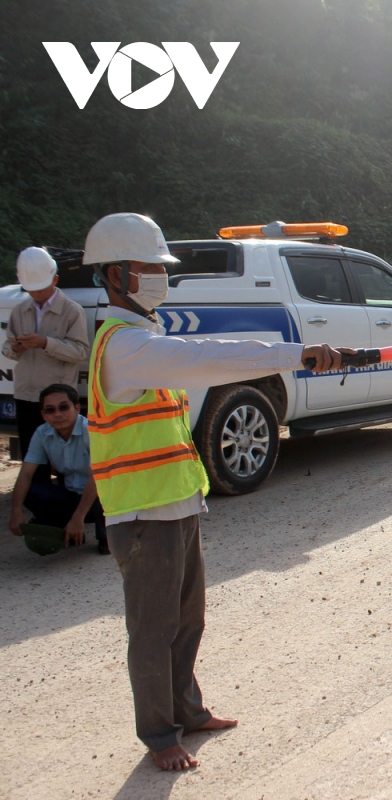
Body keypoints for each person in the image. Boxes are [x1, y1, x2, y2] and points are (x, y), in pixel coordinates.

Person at [83, 212, 349, 772]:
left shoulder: (146, 336)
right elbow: (208, 358)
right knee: (153, 630)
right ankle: (159, 736)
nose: (160, 275)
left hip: (175, 501)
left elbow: (200, 354)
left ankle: (188, 709)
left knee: (187, 619)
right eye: (149, 267)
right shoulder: (124, 346)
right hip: (141, 512)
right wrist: (291, 353)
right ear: (114, 276)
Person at [2, 247, 89, 468]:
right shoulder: (20, 310)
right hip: (26, 394)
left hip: (58, 398)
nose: (37, 294)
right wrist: (15, 348)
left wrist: (45, 343)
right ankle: (34, 499)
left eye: (40, 288)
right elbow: (7, 346)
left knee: (64, 460)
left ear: (55, 279)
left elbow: (80, 352)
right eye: (31, 289)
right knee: (32, 459)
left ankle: (67, 498)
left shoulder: (72, 311)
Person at [8, 383, 106, 552]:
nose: (58, 414)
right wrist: (16, 511)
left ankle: (104, 535)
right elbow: (25, 474)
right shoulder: (42, 433)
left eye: (63, 407)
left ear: (76, 408)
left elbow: (97, 476)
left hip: (100, 496)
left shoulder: (91, 430)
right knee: (32, 491)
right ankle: (63, 529)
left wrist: (78, 517)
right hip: (71, 494)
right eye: (50, 410)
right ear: (43, 415)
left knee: (104, 503)